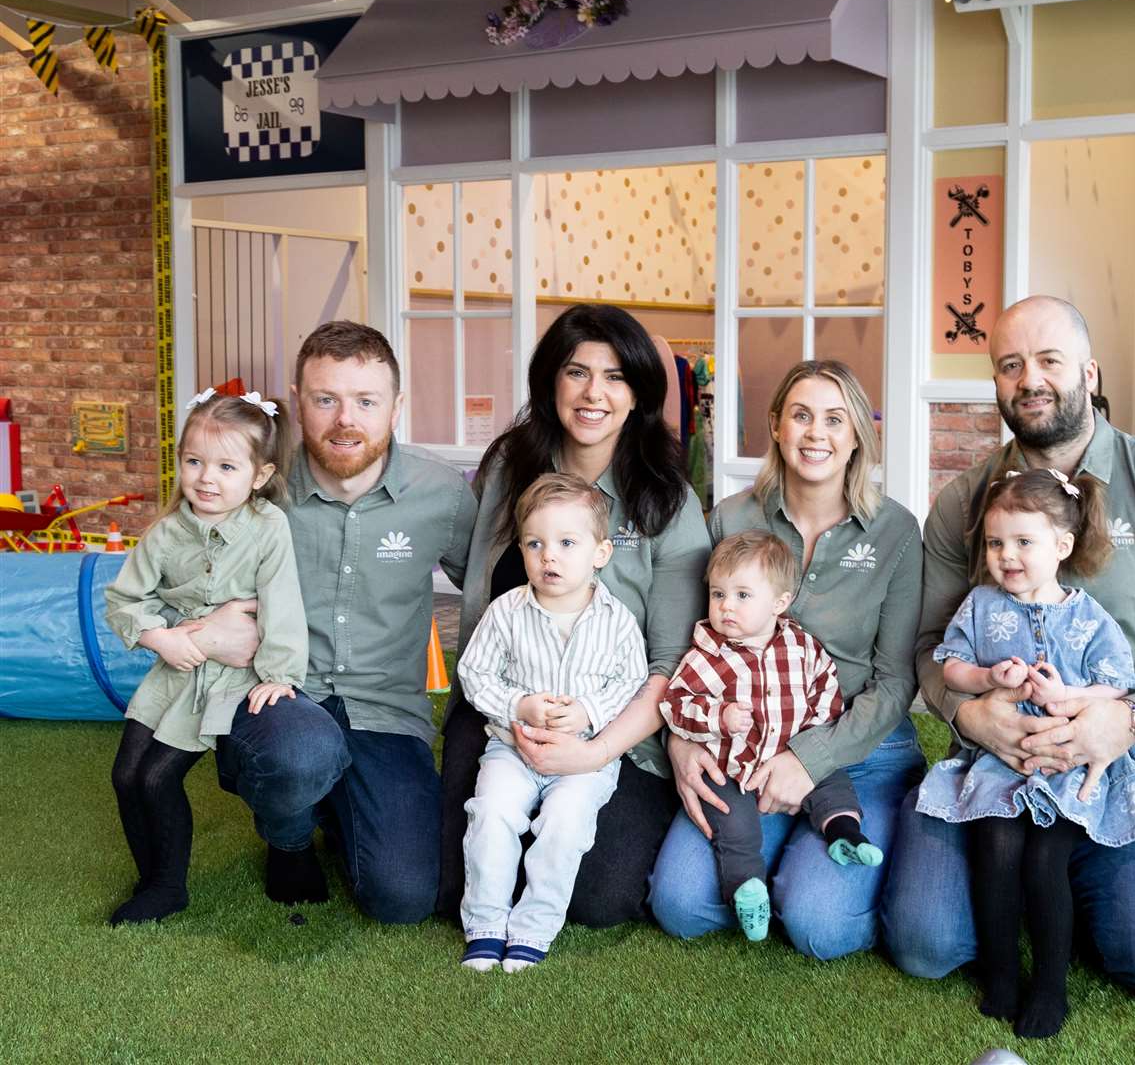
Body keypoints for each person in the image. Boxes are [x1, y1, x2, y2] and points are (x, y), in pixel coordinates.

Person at [883, 295, 1135, 1013]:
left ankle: (1075, 887)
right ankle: (1031, 881)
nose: (1030, 379)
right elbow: (928, 646)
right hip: (996, 767)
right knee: (924, 946)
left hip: (1129, 765)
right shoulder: (964, 505)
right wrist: (969, 716)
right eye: (1010, 365)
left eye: (1049, 360)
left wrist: (1129, 721)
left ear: (1088, 373)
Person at [186, 321, 478, 924]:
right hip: (279, 698)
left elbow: (496, 594)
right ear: (297, 400)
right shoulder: (255, 486)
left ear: (397, 407)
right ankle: (289, 839)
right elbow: (178, 570)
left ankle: (338, 807)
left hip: (386, 712)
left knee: (402, 898)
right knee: (302, 752)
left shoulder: (443, 496)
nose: (346, 419)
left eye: (366, 401)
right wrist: (211, 625)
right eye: (326, 399)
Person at [436, 304, 710, 927]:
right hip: (500, 712)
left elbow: (669, 664)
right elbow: (467, 567)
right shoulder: (509, 469)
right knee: (449, 888)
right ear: (549, 382)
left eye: (615, 376)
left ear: (638, 392)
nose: (594, 393)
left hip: (613, 726)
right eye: (577, 372)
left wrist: (590, 753)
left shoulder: (667, 498)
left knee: (599, 900)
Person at [651, 360, 925, 958]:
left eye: (835, 419)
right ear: (775, 426)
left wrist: (810, 757)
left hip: (857, 751)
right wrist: (682, 740)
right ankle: (771, 859)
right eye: (801, 416)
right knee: (682, 905)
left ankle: (849, 855)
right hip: (738, 746)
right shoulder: (728, 518)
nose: (815, 433)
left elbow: (897, 679)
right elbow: (686, 650)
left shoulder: (896, 531)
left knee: (818, 925)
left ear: (858, 434)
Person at [919, 467, 1135, 1038]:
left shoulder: (1087, 616)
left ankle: (1050, 986)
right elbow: (950, 665)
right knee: (995, 845)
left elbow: (1116, 683)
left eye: (1023, 542)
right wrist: (987, 674)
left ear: (1061, 546)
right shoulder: (980, 605)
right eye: (995, 543)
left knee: (1044, 862)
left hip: (1068, 767)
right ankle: (1001, 973)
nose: (1006, 556)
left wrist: (1069, 695)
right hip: (1000, 757)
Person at [105, 389, 306, 926]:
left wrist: (280, 674)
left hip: (225, 680)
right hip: (174, 667)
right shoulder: (167, 533)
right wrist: (160, 638)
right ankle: (151, 876)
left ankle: (169, 887)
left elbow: (282, 602)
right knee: (125, 775)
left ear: (259, 475)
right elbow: (125, 600)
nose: (206, 478)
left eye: (225, 466)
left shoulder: (268, 529)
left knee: (156, 778)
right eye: (193, 462)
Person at [456, 474, 647, 972]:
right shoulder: (506, 614)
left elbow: (631, 681)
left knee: (565, 824)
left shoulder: (617, 620)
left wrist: (588, 711)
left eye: (567, 543)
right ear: (521, 550)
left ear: (600, 552)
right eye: (535, 544)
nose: (550, 557)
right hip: (511, 749)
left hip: (584, 759)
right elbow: (474, 674)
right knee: (492, 813)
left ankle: (533, 928)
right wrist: (519, 704)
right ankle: (485, 923)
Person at [660, 529, 883, 943]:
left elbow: (826, 689)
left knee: (834, 786)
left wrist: (809, 743)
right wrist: (717, 716)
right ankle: (747, 888)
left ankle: (844, 835)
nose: (726, 607)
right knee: (733, 824)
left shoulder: (802, 647)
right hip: (732, 767)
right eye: (718, 594)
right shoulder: (706, 656)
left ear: (780, 603)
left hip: (795, 756)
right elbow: (675, 704)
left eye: (743, 595)